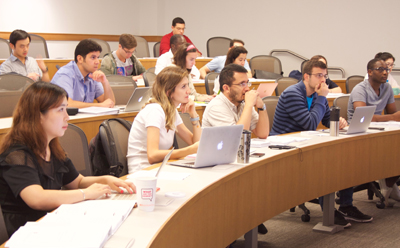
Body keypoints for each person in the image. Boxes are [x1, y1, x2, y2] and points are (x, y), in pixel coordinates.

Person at [0, 82, 135, 237]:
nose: (67, 117)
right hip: (24, 234)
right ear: (38, 116)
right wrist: (85, 194)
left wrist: (106, 180)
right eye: (60, 110)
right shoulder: (17, 155)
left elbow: (77, 181)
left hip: (49, 225)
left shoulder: (52, 148)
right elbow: (37, 198)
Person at [271, 60, 372, 227]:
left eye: (325, 76)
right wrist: (322, 97)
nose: (323, 80)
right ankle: (329, 211)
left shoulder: (318, 95)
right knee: (324, 164)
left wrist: (337, 121)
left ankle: (346, 206)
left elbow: (325, 120)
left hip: (305, 143)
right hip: (284, 146)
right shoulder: (293, 93)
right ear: (306, 76)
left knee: (344, 159)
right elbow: (310, 124)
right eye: (319, 76)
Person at [202, 63, 269, 236]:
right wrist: (249, 106)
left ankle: (250, 220)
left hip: (230, 160)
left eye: (247, 83)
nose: (247, 89)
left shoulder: (241, 103)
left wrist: (260, 106)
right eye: (242, 84)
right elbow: (238, 137)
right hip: (212, 166)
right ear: (226, 88)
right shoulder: (217, 106)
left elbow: (262, 133)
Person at [127, 66, 201, 173]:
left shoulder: (172, 110)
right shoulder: (155, 110)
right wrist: (188, 151)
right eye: (183, 86)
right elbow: (152, 155)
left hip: (159, 168)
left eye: (188, 86)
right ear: (169, 91)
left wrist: (194, 115)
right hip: (142, 172)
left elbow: (195, 143)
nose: (189, 91)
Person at [348, 58, 400, 206]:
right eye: (380, 69)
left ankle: (389, 185)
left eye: (387, 70)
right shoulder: (360, 89)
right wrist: (391, 117)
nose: (385, 73)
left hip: (380, 130)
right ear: (369, 72)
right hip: (358, 132)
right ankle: (388, 187)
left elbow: (393, 115)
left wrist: (391, 118)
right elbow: (363, 117)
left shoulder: (387, 88)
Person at [52, 39, 115, 109]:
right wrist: (99, 105)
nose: (97, 62)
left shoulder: (92, 75)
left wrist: (105, 82)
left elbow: (110, 103)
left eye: (98, 57)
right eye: (93, 57)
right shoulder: (65, 74)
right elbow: (66, 104)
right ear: (80, 59)